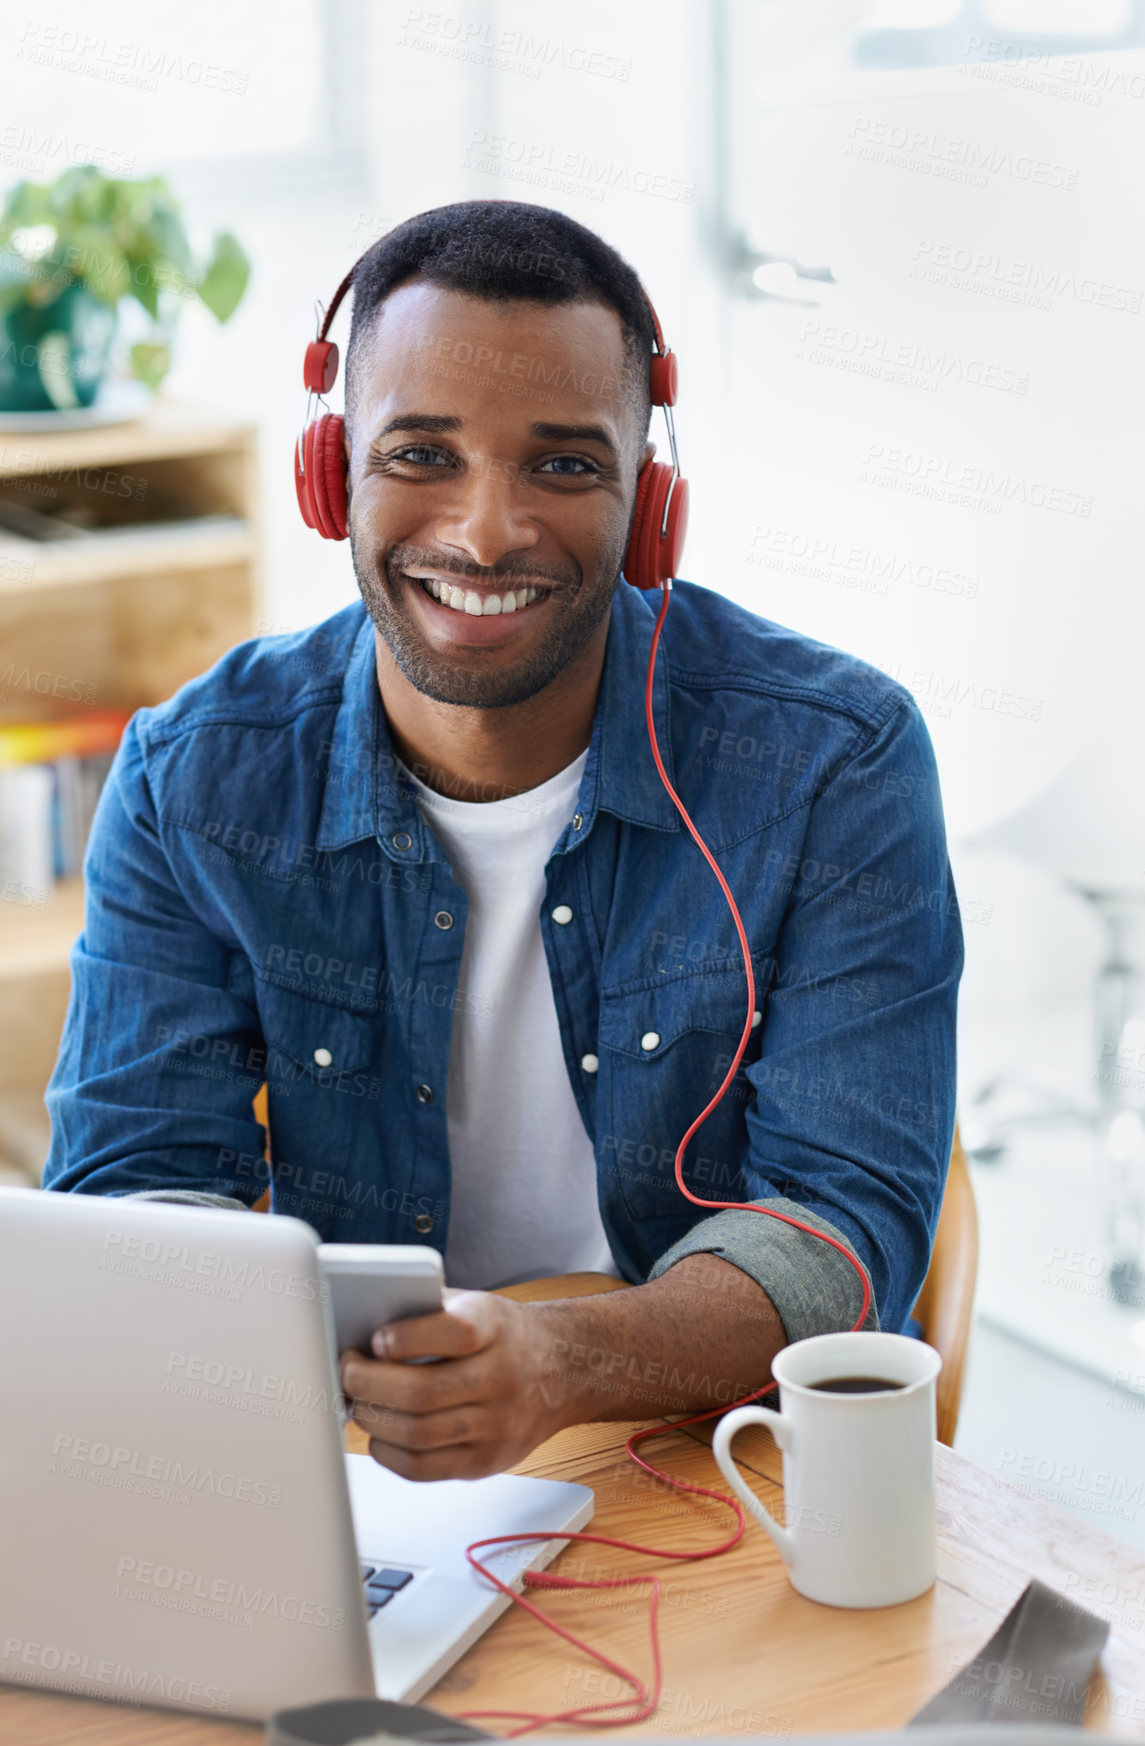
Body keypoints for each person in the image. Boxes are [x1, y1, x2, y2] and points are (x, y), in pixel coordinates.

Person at [42, 201, 964, 1480]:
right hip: (354, 1470)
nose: (483, 534)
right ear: (332, 474)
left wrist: (560, 1364)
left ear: (650, 501)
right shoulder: (192, 776)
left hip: (715, 1456)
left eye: (565, 465)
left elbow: (844, 1223)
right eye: (420, 453)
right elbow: (132, 1205)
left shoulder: (832, 760)